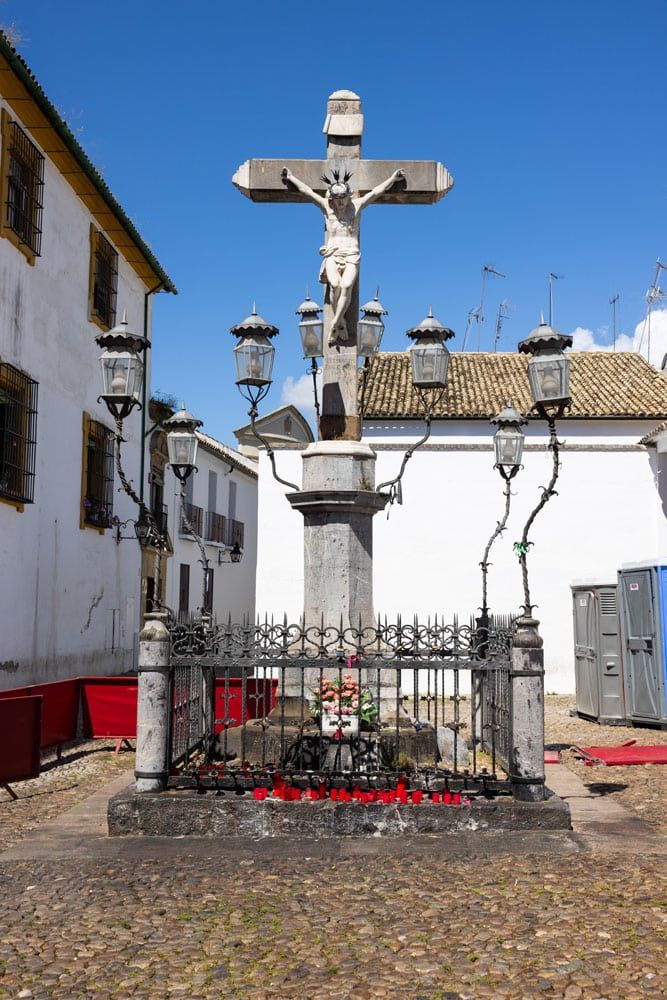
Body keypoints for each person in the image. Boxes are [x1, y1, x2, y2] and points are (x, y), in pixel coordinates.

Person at [282, 166, 405, 344]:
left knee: (346, 286)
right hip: (333, 254)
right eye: (337, 198)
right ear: (331, 197)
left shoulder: (357, 206)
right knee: (334, 285)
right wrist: (292, 177)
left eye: (343, 197)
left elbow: (377, 191)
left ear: (349, 195)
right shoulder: (327, 208)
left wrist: (392, 179)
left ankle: (334, 323)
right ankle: (341, 322)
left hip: (351, 254)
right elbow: (306, 191)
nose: (340, 202)